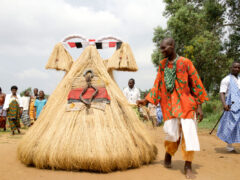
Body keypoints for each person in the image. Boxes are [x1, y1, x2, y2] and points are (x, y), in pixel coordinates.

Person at [137, 38, 208, 179]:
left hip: (187, 104)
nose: (162, 51)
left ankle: (188, 165)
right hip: (169, 105)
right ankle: (168, 153)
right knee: (172, 134)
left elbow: (195, 84)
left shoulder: (186, 63)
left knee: (189, 134)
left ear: (172, 46)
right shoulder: (163, 65)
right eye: (161, 48)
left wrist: (199, 106)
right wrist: (146, 100)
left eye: (164, 48)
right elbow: (157, 84)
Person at [217, 61, 240, 152]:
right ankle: (229, 146)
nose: (237, 69)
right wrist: (224, 105)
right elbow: (222, 93)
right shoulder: (226, 79)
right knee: (230, 125)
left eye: (238, 67)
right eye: (235, 67)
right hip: (231, 106)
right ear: (231, 68)